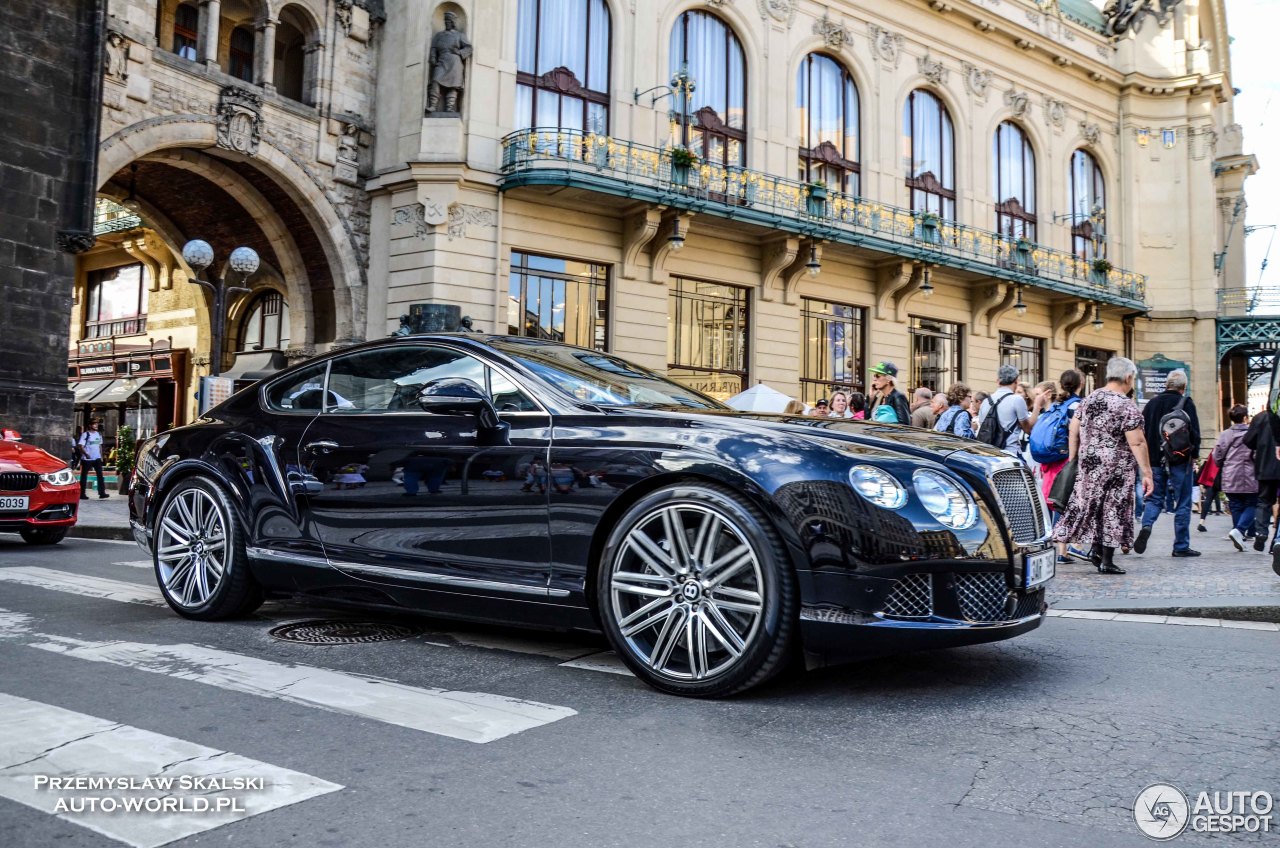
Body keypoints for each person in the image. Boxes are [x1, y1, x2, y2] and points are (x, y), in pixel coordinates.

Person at [1052, 357, 1154, 574]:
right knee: (1113, 510)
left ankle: (1096, 552)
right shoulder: (1126, 405)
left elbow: (1073, 429)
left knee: (1093, 507)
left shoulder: (1089, 399)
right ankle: (1106, 559)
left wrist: (1073, 460)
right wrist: (1147, 472)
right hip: (1116, 468)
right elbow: (1136, 441)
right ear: (1128, 377)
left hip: (1089, 466)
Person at [1134, 369, 1201, 557]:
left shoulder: (1152, 404)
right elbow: (1195, 433)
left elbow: (1142, 432)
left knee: (1154, 499)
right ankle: (1180, 546)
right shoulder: (1186, 403)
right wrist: (1194, 456)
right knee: (1183, 501)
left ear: (1166, 385)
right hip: (1180, 458)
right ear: (1184, 387)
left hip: (1155, 459)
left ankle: (1146, 525)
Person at [1213, 404, 1259, 551]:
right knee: (1252, 503)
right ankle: (1239, 530)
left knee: (1235, 504)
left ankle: (1238, 534)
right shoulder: (1253, 433)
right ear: (1245, 417)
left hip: (1230, 474)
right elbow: (1258, 454)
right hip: (1250, 475)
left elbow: (1217, 455)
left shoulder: (1225, 434)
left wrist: (1223, 463)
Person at [977, 365, 1044, 460]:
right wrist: (1037, 406)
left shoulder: (986, 401)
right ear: (1016, 381)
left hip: (990, 455)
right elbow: (1028, 429)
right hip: (1011, 454)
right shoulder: (1017, 400)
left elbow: (983, 425)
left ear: (998, 380)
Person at [1245, 408, 1280, 551]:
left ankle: (1261, 531)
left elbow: (1248, 440)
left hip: (1265, 465)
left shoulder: (1261, 417)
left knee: (1264, 500)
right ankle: (1276, 542)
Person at [77, 420, 108, 499]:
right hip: (87, 459)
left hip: (97, 457)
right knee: (84, 476)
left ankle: (102, 493)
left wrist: (101, 456)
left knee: (100, 475)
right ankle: (82, 494)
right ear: (90, 425)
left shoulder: (98, 434)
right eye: (94, 424)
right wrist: (86, 454)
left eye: (97, 424)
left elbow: (99, 446)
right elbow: (80, 446)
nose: (96, 426)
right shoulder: (85, 435)